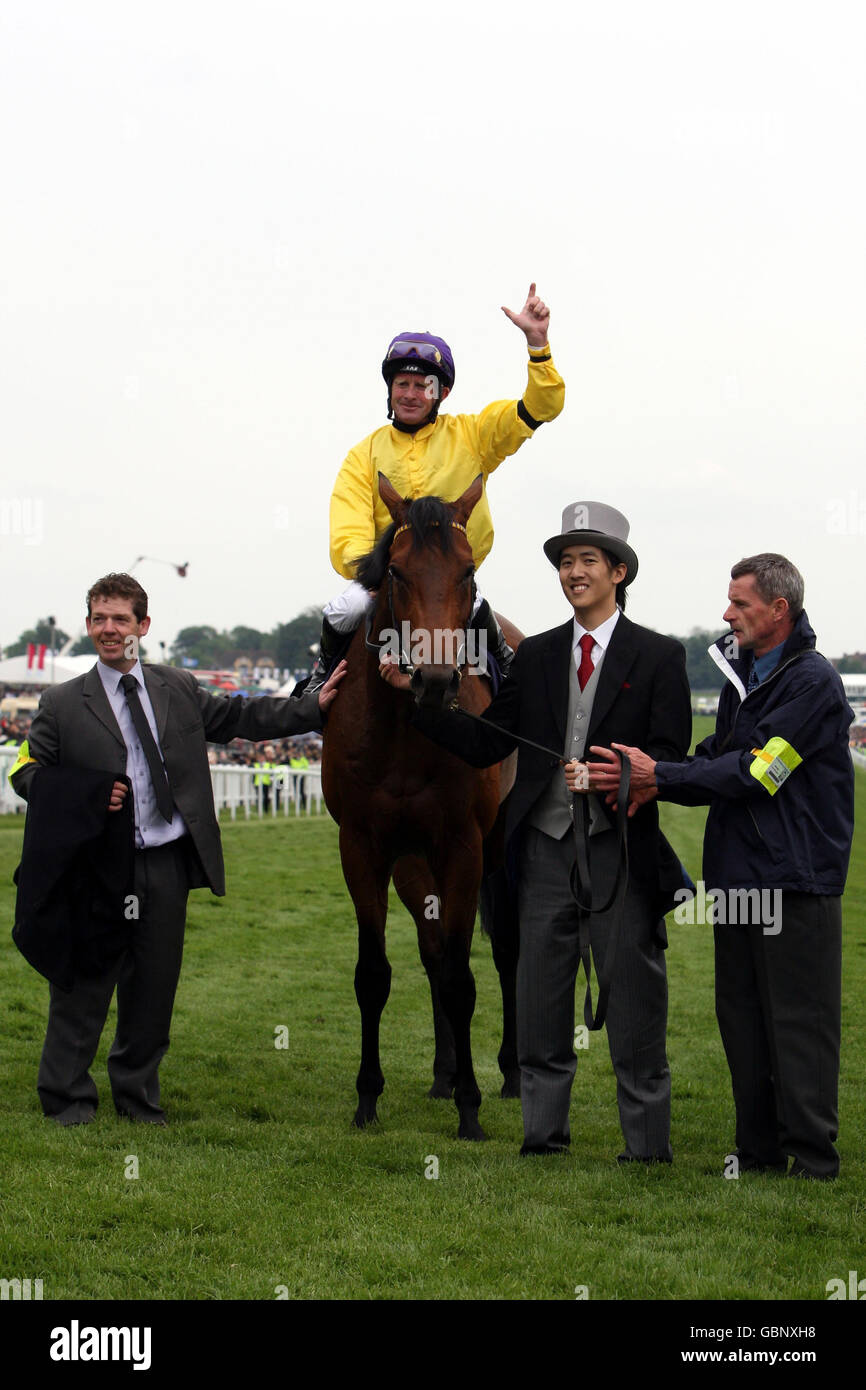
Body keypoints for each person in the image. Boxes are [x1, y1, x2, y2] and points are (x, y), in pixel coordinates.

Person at [383, 503, 691, 1160]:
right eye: (565, 562)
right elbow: (486, 739)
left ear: (618, 571)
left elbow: (668, 756)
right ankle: (543, 1139)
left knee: (634, 1005)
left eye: (587, 561)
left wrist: (616, 776)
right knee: (541, 1002)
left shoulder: (662, 656)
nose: (573, 572)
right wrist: (418, 696)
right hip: (543, 852)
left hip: (622, 852)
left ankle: (646, 1149)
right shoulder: (540, 654)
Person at [10, 572, 345, 1127]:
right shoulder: (62, 703)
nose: (109, 629)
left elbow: (242, 717)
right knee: (83, 985)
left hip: (165, 864)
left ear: (144, 625)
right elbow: (26, 771)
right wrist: (86, 796)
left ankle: (138, 1098)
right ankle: (67, 1099)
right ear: (88, 625)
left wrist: (312, 708)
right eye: (99, 618)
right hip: (97, 869)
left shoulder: (178, 687)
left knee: (153, 988)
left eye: (120, 619)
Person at [588, 554, 855, 1179]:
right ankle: (758, 1153)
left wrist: (664, 774)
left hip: (796, 883)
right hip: (739, 880)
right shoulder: (748, 676)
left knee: (798, 1023)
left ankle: (813, 1159)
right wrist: (651, 778)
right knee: (741, 1018)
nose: (726, 614)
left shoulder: (813, 681)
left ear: (779, 611)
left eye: (740, 604)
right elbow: (720, 755)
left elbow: (762, 771)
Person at [303, 283, 565, 691]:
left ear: (441, 392)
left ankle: (515, 680)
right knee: (344, 607)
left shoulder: (473, 435)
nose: (410, 394)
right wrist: (375, 576)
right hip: (385, 581)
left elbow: (541, 407)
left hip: (453, 581)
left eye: (422, 385)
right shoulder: (363, 455)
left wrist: (537, 346)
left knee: (478, 609)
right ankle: (321, 681)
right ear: (390, 389)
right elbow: (348, 531)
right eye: (402, 384)